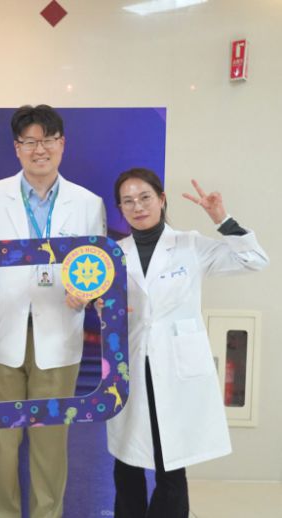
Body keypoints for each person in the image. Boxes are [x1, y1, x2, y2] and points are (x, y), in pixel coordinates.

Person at [106, 168, 269, 518]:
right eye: (128, 201)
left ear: (161, 199)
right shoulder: (114, 255)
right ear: (120, 209)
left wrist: (221, 219)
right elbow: (101, 305)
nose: (138, 207)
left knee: (171, 460)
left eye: (145, 197)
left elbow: (254, 260)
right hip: (130, 366)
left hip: (174, 366)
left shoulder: (190, 244)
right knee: (127, 462)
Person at [0, 104, 106, 518]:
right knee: (0, 445)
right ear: (17, 148)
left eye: (47, 140)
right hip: (1, 334)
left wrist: (87, 294)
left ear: (62, 144)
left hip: (59, 335)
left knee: (50, 447)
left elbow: (98, 268)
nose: (39, 149)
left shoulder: (88, 203)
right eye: (30, 141)